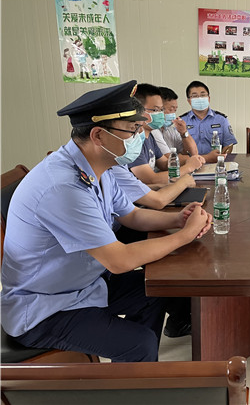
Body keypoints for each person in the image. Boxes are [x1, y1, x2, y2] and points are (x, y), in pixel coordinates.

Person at [0, 80, 212, 362]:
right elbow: (119, 260)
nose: (138, 136)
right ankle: (134, 368)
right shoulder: (62, 187)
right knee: (140, 344)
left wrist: (178, 219)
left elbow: (132, 215)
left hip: (83, 284)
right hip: (45, 307)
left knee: (156, 290)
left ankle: (132, 372)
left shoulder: (101, 166)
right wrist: (184, 236)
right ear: (99, 135)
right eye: (132, 130)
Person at [128, 83, 203, 185]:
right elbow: (151, 179)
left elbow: (163, 163)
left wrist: (189, 160)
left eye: (161, 109)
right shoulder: (132, 140)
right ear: (138, 111)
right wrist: (188, 167)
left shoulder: (149, 136)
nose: (160, 114)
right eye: (155, 110)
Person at [180, 80, 238, 161]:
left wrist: (220, 159)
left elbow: (229, 144)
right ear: (189, 101)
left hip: (216, 163)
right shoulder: (181, 121)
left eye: (203, 95)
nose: (199, 98)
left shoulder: (221, 119)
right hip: (190, 164)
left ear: (209, 98)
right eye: (195, 96)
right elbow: (178, 149)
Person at [156, 86, 200, 163]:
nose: (173, 114)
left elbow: (193, 153)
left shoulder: (171, 129)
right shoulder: (153, 131)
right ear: (158, 109)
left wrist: (184, 132)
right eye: (170, 109)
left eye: (175, 110)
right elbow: (169, 159)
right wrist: (192, 159)